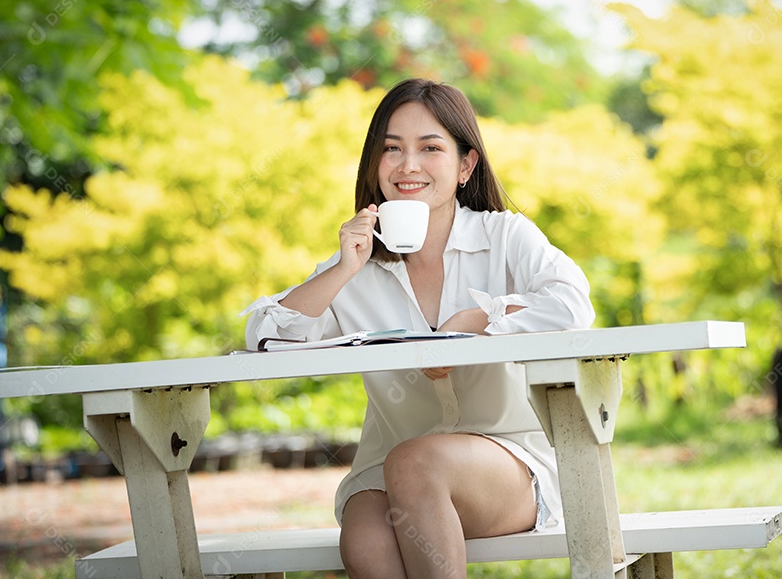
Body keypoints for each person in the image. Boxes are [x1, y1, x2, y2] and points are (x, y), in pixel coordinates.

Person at [241, 78, 595, 578]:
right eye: (392, 149)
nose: (408, 166)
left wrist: (474, 323)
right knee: (364, 536)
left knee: (415, 462)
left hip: (510, 467)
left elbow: (573, 303)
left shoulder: (505, 236)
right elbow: (266, 338)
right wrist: (342, 269)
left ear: (465, 165)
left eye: (430, 148)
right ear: (374, 164)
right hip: (387, 472)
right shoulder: (356, 266)